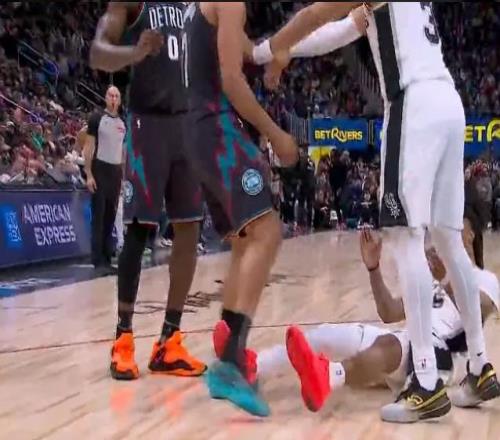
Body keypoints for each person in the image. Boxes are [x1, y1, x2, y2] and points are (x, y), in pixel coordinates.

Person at [254, 2, 500, 422]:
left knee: (404, 236)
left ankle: (426, 382)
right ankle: (479, 367)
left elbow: (317, 14)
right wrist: (283, 50)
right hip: (448, 103)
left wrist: (267, 50)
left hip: (413, 103)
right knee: (446, 238)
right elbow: (341, 31)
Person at [183, 2, 298, 417]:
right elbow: (231, 79)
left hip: (195, 130)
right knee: (267, 232)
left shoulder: (203, 9)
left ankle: (228, 347)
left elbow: (247, 49)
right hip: (215, 126)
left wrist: (277, 54)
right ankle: (231, 361)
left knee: (244, 239)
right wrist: (275, 133)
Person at [256, 228, 499, 416]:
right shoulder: (430, 277)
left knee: (392, 345)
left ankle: (330, 376)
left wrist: (446, 279)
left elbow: (477, 311)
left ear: (470, 233)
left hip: (441, 356)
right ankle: (254, 367)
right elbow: (389, 312)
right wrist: (374, 268)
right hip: (406, 340)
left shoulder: (485, 278)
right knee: (327, 335)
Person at [90, 1, 206, 381]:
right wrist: (133, 53)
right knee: (139, 229)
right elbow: (97, 53)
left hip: (187, 126)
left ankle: (169, 341)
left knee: (189, 229)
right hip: (147, 124)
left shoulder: (193, 7)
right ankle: (123, 339)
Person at [83, 86, 126, 274]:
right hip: (100, 168)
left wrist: (123, 176)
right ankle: (97, 260)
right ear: (105, 98)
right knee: (99, 216)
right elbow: (88, 146)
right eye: (111, 95)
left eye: (117, 96)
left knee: (110, 216)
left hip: (115, 172)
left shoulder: (123, 122)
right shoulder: (96, 118)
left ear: (120, 100)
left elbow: (122, 151)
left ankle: (107, 257)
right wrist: (89, 174)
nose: (114, 99)